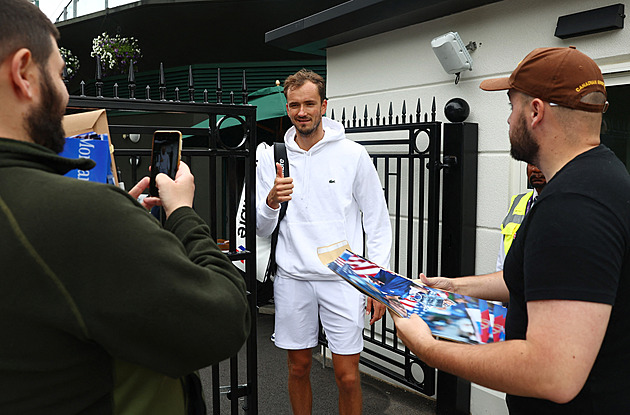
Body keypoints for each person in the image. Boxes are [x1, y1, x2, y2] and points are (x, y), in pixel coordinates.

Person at [0, 1, 250, 413]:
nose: (64, 94)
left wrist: (122, 223)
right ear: (24, 73)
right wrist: (183, 213)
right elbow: (225, 318)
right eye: (60, 74)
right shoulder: (83, 217)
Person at [393, 46, 630, 413]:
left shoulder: (570, 206)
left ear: (535, 111)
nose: (507, 121)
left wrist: (429, 349)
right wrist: (455, 286)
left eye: (510, 106)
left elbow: (552, 374)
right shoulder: (602, 177)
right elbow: (545, 280)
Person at [256, 69, 392, 414]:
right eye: (294, 105)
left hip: (344, 279)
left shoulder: (352, 154)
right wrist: (271, 201)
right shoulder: (271, 157)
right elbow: (259, 228)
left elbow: (376, 220)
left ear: (324, 106)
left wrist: (377, 282)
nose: (302, 111)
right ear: (287, 108)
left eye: (309, 104)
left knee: (347, 377)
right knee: (298, 368)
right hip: (293, 279)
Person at [496, 163, 546, 271]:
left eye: (541, 163)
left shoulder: (564, 204)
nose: (536, 170)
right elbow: (502, 255)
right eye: (531, 164)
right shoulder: (518, 201)